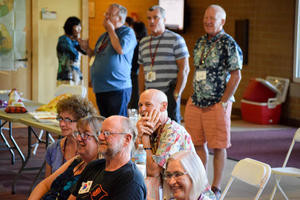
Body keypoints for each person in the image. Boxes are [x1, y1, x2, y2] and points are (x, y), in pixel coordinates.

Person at [184, 4, 243, 199]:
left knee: (218, 146)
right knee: (197, 144)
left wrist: (224, 102)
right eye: (206, 17)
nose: (208, 21)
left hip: (217, 103)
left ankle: (216, 188)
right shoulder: (200, 41)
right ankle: (202, 183)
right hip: (196, 101)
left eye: (213, 18)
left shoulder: (229, 43)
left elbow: (236, 75)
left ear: (222, 21)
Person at [68, 116, 147, 200]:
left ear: (126, 139)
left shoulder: (131, 181)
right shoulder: (93, 167)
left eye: (107, 133)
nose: (100, 137)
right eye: (100, 132)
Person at [79, 4, 137, 118]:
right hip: (101, 88)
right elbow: (96, 56)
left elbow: (120, 49)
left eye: (109, 14)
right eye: (105, 14)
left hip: (117, 87)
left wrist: (111, 30)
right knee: (106, 123)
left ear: (120, 18)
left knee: (117, 124)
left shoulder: (127, 32)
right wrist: (87, 49)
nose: (105, 17)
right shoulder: (104, 36)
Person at [28, 115, 105, 200]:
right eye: (78, 133)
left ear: (99, 140)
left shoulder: (99, 172)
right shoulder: (77, 160)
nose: (79, 139)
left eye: (85, 135)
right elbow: (45, 185)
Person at [136, 89, 195, 199]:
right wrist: (139, 136)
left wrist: (144, 138)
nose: (142, 109)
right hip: (167, 188)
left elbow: (153, 172)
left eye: (148, 104)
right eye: (140, 105)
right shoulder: (154, 128)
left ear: (163, 106)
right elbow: (139, 160)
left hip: (185, 193)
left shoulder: (173, 132)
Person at [138, 5, 190, 123]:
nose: (151, 21)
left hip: (168, 93)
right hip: (149, 95)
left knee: (170, 128)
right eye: (149, 18)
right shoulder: (143, 42)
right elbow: (142, 70)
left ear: (164, 20)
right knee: (150, 127)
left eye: (156, 17)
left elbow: (184, 69)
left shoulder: (176, 39)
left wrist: (177, 93)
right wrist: (141, 93)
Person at [45, 95, 98, 177]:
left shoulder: (91, 150)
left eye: (68, 120)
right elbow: (47, 184)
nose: (62, 124)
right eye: (60, 118)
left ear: (82, 121)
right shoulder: (53, 149)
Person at [56, 16, 86, 86]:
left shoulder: (74, 41)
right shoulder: (64, 40)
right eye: (77, 26)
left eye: (80, 26)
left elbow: (85, 52)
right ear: (70, 26)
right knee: (68, 96)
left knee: (78, 95)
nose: (79, 29)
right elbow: (74, 56)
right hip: (66, 76)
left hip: (76, 74)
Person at [128, 21, 147, 109]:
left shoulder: (141, 44)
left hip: (136, 74)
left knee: (135, 101)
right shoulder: (135, 42)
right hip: (132, 74)